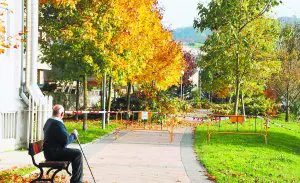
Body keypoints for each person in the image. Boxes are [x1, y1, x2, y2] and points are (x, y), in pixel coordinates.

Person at [43, 104, 83, 183]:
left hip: (49, 152)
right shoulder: (57, 124)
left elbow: (62, 138)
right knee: (77, 154)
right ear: (62, 114)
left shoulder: (49, 121)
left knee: (75, 152)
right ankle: (77, 181)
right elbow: (66, 141)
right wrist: (73, 135)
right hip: (54, 153)